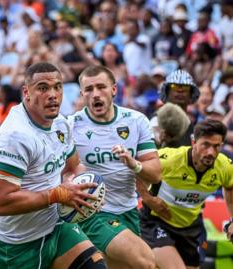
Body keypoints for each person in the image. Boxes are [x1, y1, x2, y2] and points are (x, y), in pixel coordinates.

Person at [0, 62, 106, 269]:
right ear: (26, 92)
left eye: (58, 87)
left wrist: (84, 187)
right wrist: (58, 194)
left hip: (54, 229)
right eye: (43, 88)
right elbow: (0, 203)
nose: (52, 94)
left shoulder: (61, 124)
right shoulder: (14, 137)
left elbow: (74, 167)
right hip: (13, 248)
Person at [70, 65, 161, 269]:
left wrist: (133, 163)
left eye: (101, 87)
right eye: (89, 89)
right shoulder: (71, 126)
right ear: (82, 94)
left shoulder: (136, 121)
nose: (95, 94)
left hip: (128, 210)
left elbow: (155, 174)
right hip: (93, 212)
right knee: (145, 260)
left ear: (114, 89)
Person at [138, 119, 233, 269]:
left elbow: (231, 188)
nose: (211, 152)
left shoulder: (225, 166)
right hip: (156, 222)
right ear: (194, 142)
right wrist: (148, 199)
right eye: (205, 145)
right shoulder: (169, 159)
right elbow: (137, 169)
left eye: (216, 146)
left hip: (190, 228)